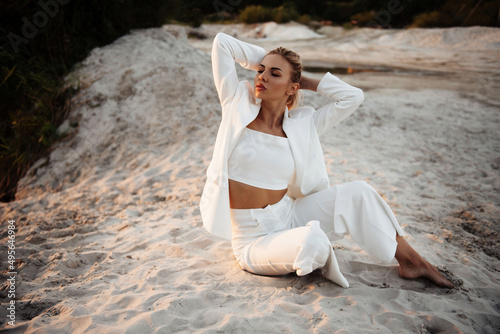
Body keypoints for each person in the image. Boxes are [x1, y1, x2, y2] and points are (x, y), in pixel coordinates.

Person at [200, 32, 454, 288]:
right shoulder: (236, 105)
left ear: (292, 88)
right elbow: (222, 42)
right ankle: (306, 244)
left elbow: (353, 97)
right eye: (260, 70)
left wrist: (303, 80)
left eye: (274, 74)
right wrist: (268, 62)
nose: (262, 77)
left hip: (289, 214)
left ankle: (412, 262)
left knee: (360, 192)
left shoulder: (302, 124)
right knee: (312, 242)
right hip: (252, 237)